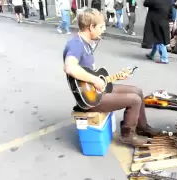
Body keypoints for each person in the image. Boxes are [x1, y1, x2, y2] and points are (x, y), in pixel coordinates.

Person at [63, 8, 162, 145]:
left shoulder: (85, 43)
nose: (103, 30)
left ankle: (142, 127)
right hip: (91, 99)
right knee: (134, 100)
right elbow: (70, 67)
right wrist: (94, 79)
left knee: (137, 91)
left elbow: (92, 74)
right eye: (101, 27)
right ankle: (128, 135)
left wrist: (114, 77)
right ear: (91, 27)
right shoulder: (76, 44)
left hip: (96, 90)